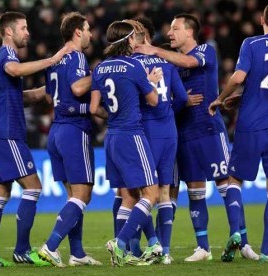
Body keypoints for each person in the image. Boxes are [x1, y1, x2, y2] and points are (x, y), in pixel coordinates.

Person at [136, 13, 258, 262]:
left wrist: (155, 51)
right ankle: (203, 247)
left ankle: (242, 242)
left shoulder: (205, 50)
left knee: (226, 185)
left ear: (189, 32)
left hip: (209, 129)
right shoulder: (170, 64)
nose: (170, 33)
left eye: (175, 28)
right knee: (194, 191)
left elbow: (190, 63)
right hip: (183, 132)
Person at [209, 2, 268, 262]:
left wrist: (221, 98)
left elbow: (239, 77)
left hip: (250, 123)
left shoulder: (251, 44)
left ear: (262, 19)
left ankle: (238, 232)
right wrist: (246, 96)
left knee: (235, 181)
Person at [0, 11, 68, 268]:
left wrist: (43, 92)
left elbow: (18, 97)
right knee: (33, 187)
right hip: (7, 133)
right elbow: (15, 70)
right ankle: (21, 250)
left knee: (0, 195)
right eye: (23, 28)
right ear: (9, 32)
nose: (28, 32)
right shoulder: (7, 55)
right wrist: (52, 59)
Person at [90, 21, 160, 267]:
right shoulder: (134, 66)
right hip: (132, 135)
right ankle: (119, 243)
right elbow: (153, 101)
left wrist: (116, 116)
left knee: (128, 195)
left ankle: (123, 254)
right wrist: (151, 82)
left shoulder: (99, 69)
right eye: (134, 38)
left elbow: (92, 108)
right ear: (129, 40)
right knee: (151, 193)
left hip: (112, 137)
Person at [37, 12, 102, 268]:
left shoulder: (55, 60)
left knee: (74, 196)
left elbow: (49, 96)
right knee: (83, 195)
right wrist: (99, 73)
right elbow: (77, 88)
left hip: (56, 131)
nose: (90, 34)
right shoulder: (76, 56)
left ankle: (77, 252)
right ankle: (50, 246)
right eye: (87, 29)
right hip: (75, 130)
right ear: (77, 32)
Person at [130, 17, 191, 264]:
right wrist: (167, 111)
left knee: (142, 191)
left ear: (141, 36)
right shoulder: (167, 61)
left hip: (145, 130)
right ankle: (165, 251)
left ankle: (150, 243)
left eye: (132, 35)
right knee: (165, 191)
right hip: (169, 131)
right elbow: (184, 99)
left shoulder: (132, 64)